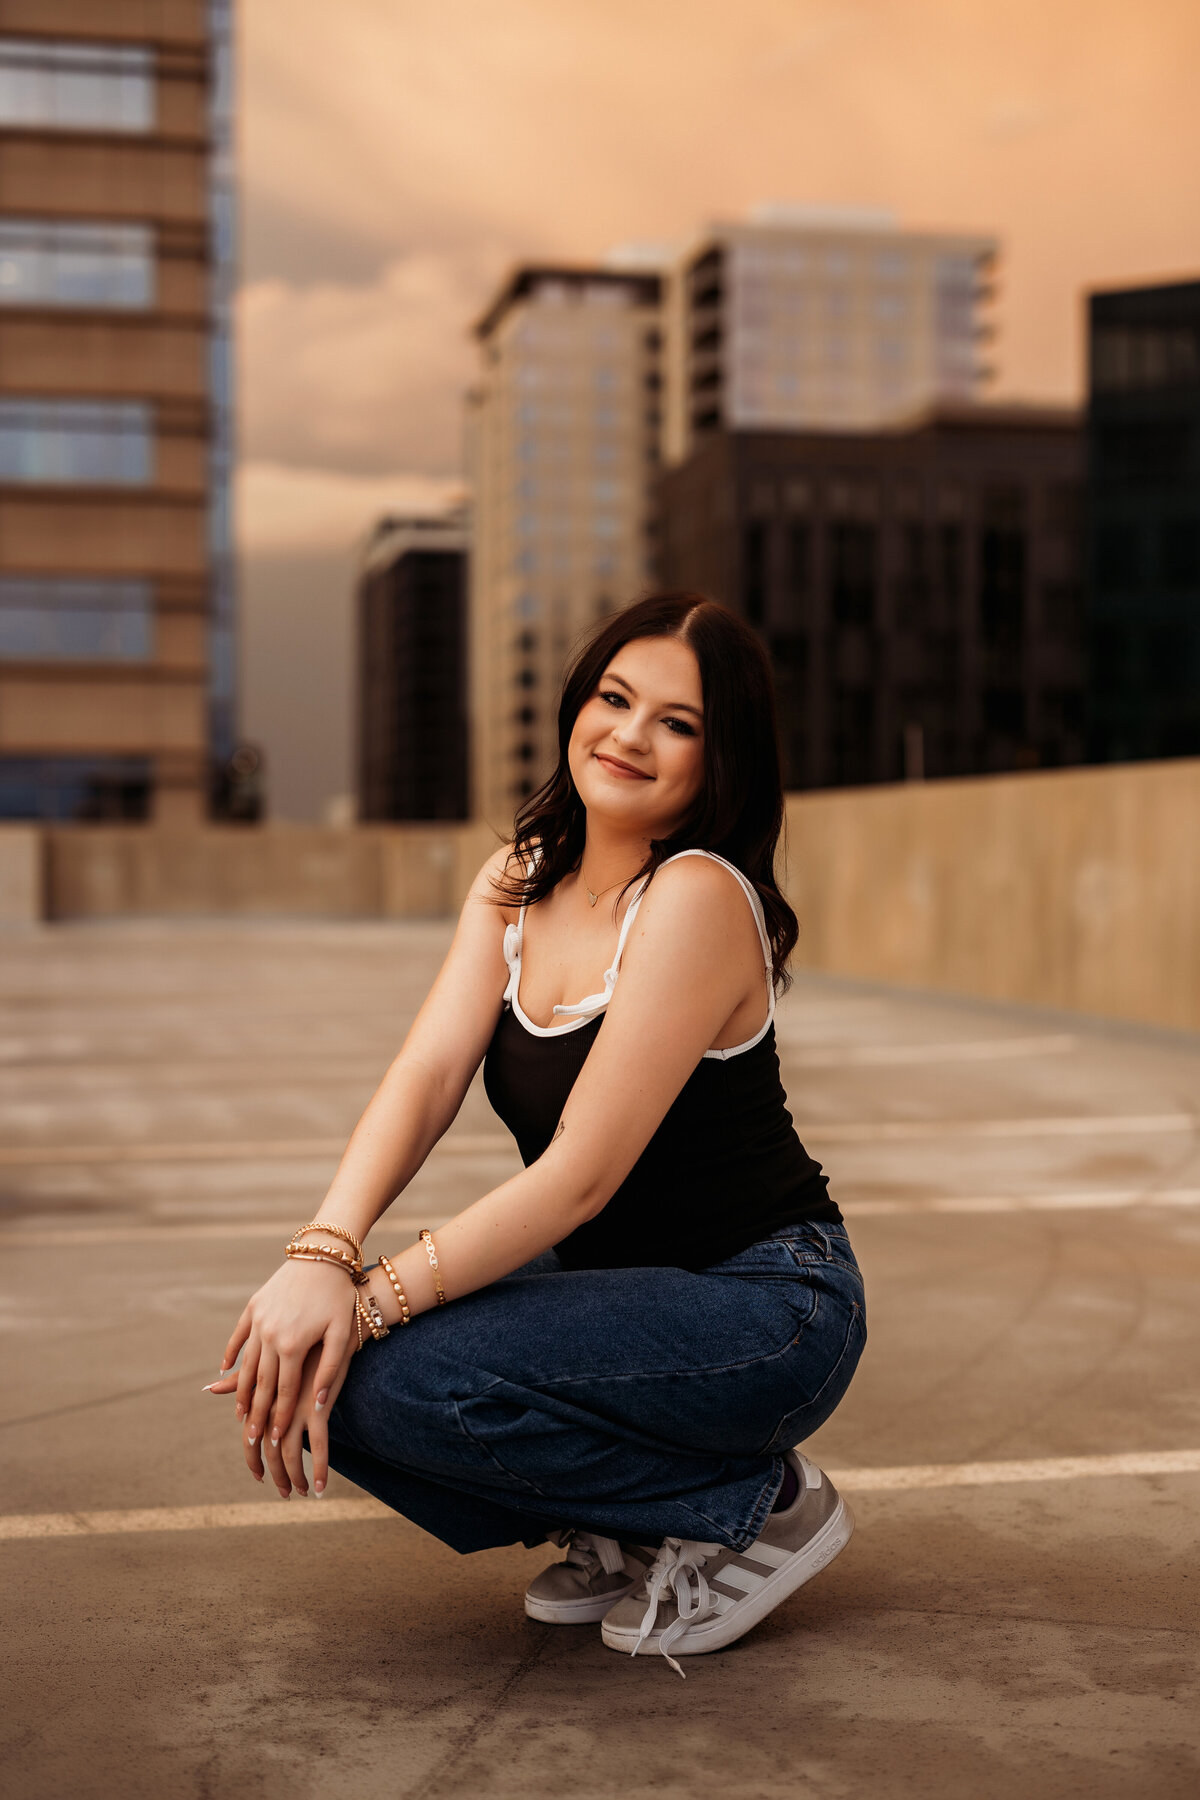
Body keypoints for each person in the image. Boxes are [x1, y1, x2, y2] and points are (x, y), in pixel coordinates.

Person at [206, 591, 866, 1676]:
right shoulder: (519, 878)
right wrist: (320, 1251)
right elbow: (425, 1075)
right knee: (344, 1365)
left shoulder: (696, 895)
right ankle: (641, 1520)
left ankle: (758, 1506)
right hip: (623, 1284)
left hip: (764, 1305)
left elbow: (577, 1179)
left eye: (678, 723)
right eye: (615, 697)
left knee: (377, 1370)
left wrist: (367, 1302)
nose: (630, 735)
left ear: (720, 757)